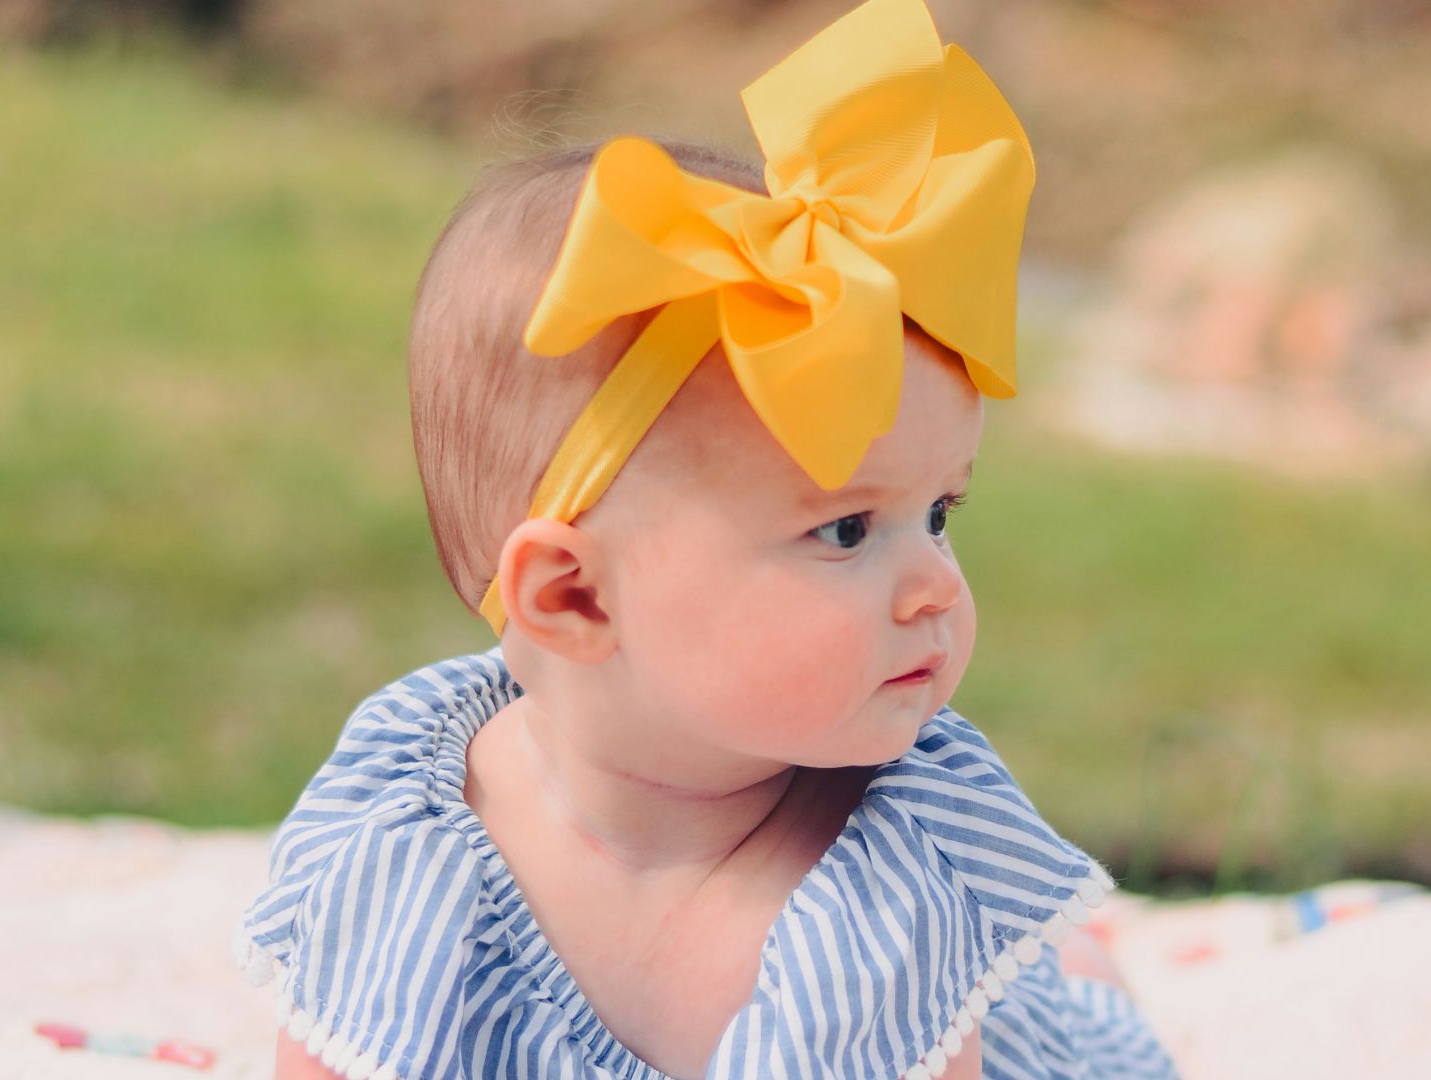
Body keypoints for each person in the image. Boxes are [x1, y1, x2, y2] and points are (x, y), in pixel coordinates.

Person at [233, 0, 1179, 1076]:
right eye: (847, 528)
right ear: (576, 598)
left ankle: (1079, 973)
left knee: (1079, 1027)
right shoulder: (411, 827)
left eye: (940, 514)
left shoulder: (901, 865)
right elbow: (329, 1051)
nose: (933, 587)